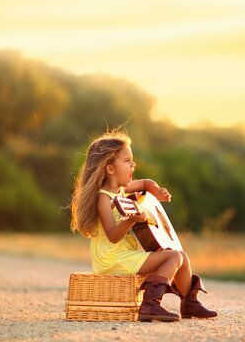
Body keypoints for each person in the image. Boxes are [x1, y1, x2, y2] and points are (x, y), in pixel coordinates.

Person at [70, 130, 218, 322]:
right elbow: (113, 236)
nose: (134, 164)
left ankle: (189, 303)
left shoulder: (122, 190)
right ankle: (150, 305)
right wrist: (131, 220)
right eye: (127, 161)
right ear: (110, 169)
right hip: (112, 259)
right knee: (173, 257)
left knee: (182, 257)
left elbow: (146, 183)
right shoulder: (103, 199)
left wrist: (157, 191)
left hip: (125, 256)